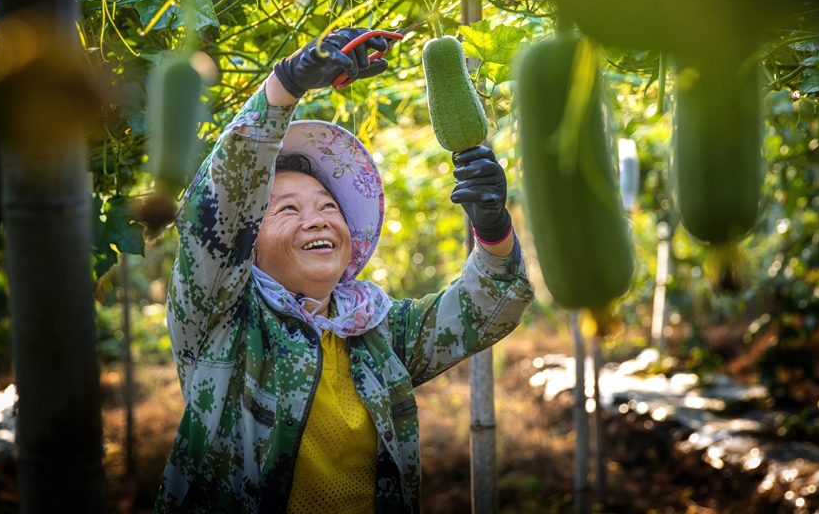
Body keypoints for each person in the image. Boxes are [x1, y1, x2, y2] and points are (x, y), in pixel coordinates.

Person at [155, 27, 535, 513]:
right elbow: (218, 208)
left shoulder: (377, 332)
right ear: (247, 242)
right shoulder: (224, 322)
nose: (316, 218)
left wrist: (493, 227)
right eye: (287, 210)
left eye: (327, 206)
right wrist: (286, 83)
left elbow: (488, 308)